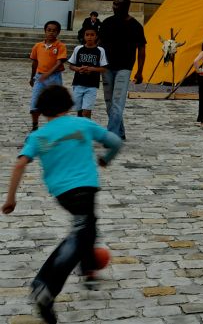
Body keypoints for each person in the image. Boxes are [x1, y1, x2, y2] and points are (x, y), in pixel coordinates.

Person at [3, 84, 123, 324]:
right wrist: (105, 159)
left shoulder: (39, 136)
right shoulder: (82, 125)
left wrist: (11, 198)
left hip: (63, 193)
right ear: (70, 104)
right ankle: (45, 284)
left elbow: (19, 164)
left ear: (43, 110)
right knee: (81, 233)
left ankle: (88, 267)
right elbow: (115, 142)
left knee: (87, 228)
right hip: (86, 188)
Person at [99, 0, 146, 141]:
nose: (114, 7)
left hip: (124, 68)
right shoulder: (107, 23)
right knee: (109, 103)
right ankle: (120, 131)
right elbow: (99, 45)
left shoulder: (135, 26)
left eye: (117, 5)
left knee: (118, 102)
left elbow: (141, 50)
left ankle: (111, 135)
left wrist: (139, 71)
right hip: (106, 67)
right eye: (113, 4)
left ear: (126, 6)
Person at [30, 21, 67, 131]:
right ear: (45, 31)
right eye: (49, 30)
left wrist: (48, 74)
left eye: (54, 31)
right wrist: (32, 77)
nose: (51, 33)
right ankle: (34, 126)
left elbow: (59, 62)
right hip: (39, 77)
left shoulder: (60, 46)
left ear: (58, 32)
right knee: (35, 103)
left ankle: (54, 127)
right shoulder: (38, 46)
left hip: (54, 78)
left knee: (55, 103)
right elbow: (34, 63)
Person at [67, 28, 107, 120]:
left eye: (92, 35)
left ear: (96, 36)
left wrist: (92, 69)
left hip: (91, 85)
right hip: (78, 83)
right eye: (87, 35)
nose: (89, 37)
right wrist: (78, 69)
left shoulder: (100, 50)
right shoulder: (78, 49)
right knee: (79, 110)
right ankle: (80, 128)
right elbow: (71, 65)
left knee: (87, 110)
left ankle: (87, 129)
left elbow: (104, 68)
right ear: (84, 36)